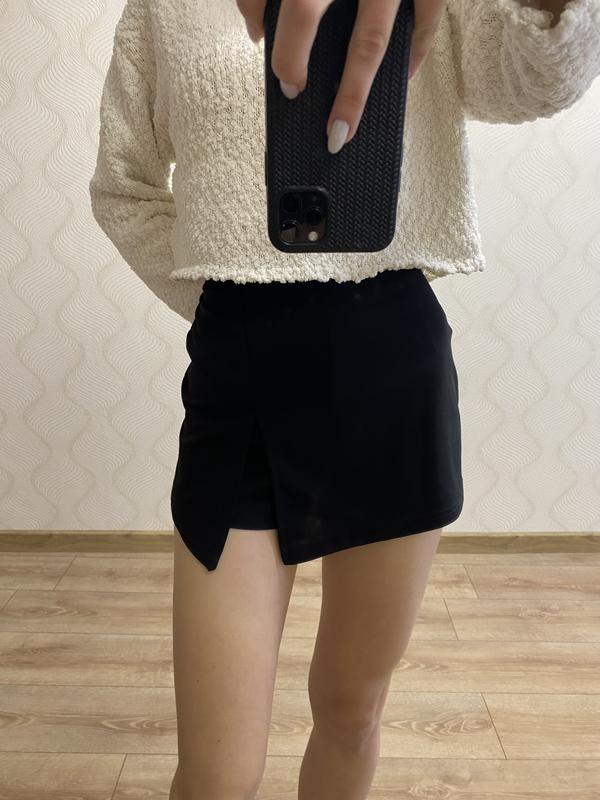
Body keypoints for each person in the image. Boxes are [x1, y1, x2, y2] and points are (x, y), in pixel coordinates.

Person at [88, 1, 599, 798]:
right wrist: (222, 294)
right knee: (218, 776)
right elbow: (123, 185)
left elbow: (541, 73)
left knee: (350, 708)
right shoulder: (163, 8)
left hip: (391, 371)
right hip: (238, 382)